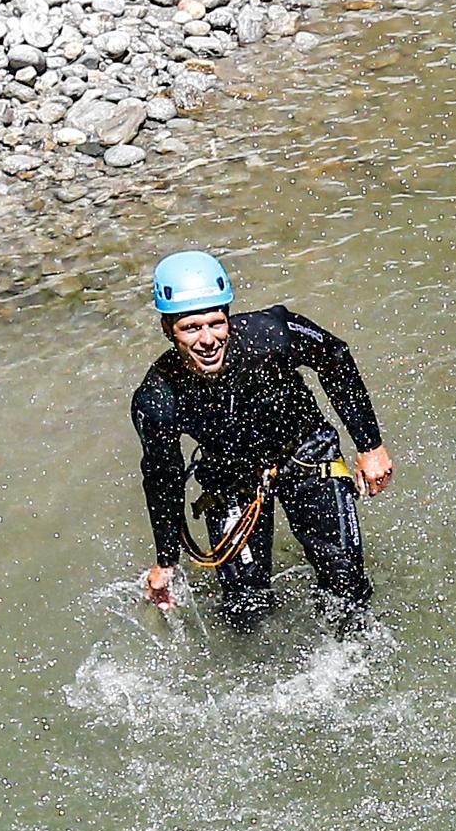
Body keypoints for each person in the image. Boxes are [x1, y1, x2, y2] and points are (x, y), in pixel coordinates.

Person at [130, 250, 395, 630]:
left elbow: (334, 357)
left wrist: (370, 446)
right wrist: (166, 560)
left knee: (346, 582)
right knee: (244, 606)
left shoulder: (271, 334)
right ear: (167, 329)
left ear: (227, 318)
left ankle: (356, 657)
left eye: (215, 323)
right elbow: (162, 477)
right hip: (231, 475)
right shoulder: (158, 399)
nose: (208, 339)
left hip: (305, 452)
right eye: (191, 328)